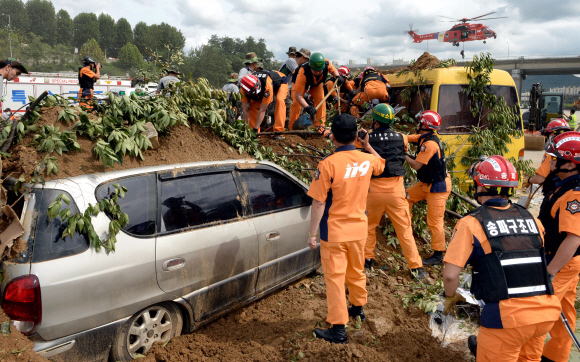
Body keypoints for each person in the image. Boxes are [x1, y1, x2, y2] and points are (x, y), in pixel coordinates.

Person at [442, 155, 560, 361]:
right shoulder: (531, 218)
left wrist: (450, 298)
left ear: (479, 185)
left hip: (508, 319)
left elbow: (451, 276)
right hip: (546, 313)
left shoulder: (471, 223)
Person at [307, 113, 386, 344]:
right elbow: (381, 165)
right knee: (356, 271)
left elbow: (319, 202)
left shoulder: (328, 164)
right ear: (356, 136)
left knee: (334, 278)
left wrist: (312, 234)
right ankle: (358, 308)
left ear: (334, 138)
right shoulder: (367, 160)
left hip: (334, 232)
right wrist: (368, 146)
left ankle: (338, 328)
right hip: (359, 230)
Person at [363, 104, 427, 279]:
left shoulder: (366, 138)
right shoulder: (401, 137)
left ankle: (367, 260)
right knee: (404, 230)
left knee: (369, 227)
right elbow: (403, 153)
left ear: (375, 120)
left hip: (373, 190)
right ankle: (416, 268)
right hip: (396, 191)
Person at [533, 132, 580, 362]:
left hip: (560, 262)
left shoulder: (575, 195)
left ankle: (522, 357)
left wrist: (550, 272)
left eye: (556, 158)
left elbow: (573, 239)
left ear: (571, 163)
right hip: (566, 262)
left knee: (538, 312)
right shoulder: (564, 185)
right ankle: (556, 357)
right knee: (564, 311)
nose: (551, 162)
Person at [405, 111, 451, 265]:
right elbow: (409, 138)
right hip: (426, 183)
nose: (416, 124)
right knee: (405, 197)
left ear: (424, 125)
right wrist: (396, 138)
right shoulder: (424, 137)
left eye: (419, 122)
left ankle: (439, 254)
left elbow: (416, 165)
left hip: (438, 187)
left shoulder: (429, 145)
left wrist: (401, 154)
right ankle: (406, 231)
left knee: (434, 221)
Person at [290, 52, 344, 131]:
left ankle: (320, 127)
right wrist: (307, 107)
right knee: (296, 103)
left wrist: (338, 76)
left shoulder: (325, 63)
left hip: (316, 84)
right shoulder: (302, 72)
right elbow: (298, 96)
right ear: (311, 67)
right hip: (301, 84)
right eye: (315, 71)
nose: (318, 73)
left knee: (321, 100)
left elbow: (333, 70)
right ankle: (292, 129)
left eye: (320, 70)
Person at [239, 70, 288, 139]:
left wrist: (255, 128)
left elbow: (262, 110)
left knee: (280, 100)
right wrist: (246, 128)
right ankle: (253, 133)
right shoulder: (243, 91)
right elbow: (246, 110)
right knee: (252, 106)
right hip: (261, 88)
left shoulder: (267, 86)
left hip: (280, 81)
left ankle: (279, 131)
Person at [528, 119, 570, 194]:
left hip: (554, 193)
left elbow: (540, 179)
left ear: (552, 135)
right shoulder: (570, 152)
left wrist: (529, 180)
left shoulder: (552, 153)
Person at [288, 48, 311, 129]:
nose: (295, 58)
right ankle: (292, 129)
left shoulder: (304, 67)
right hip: (289, 90)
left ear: (304, 57)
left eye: (298, 55)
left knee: (297, 107)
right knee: (295, 106)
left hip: (296, 90)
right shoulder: (297, 68)